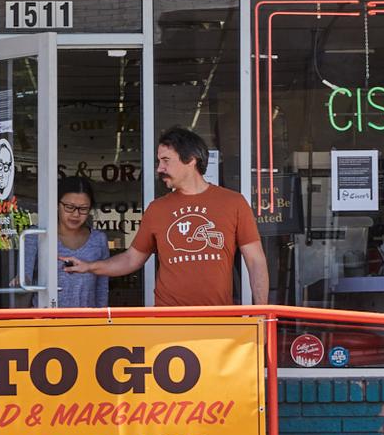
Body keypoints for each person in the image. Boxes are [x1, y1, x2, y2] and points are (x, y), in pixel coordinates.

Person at [61, 126, 269, 307]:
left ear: (190, 160)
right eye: (159, 161)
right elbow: (132, 259)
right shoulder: (157, 209)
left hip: (218, 320)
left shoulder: (232, 202)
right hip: (168, 320)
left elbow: (255, 260)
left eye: (166, 160)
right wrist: (89, 267)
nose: (160, 168)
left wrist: (262, 312)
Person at [54, 175, 111, 308]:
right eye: (69, 207)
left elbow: (102, 288)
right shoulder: (37, 236)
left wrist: (101, 320)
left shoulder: (98, 239)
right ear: (57, 205)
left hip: (86, 323)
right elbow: (25, 284)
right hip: (44, 323)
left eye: (83, 209)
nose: (76, 214)